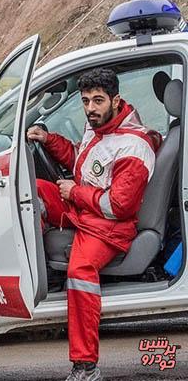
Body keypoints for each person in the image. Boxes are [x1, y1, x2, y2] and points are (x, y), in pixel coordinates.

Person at [27, 68, 160, 381]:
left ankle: (85, 366)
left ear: (115, 100)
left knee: (79, 273)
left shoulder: (133, 146)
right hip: (85, 210)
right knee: (28, 190)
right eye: (85, 100)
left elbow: (118, 206)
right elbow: (81, 159)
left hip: (109, 228)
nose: (90, 108)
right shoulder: (98, 128)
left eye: (98, 100)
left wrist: (75, 192)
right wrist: (48, 139)